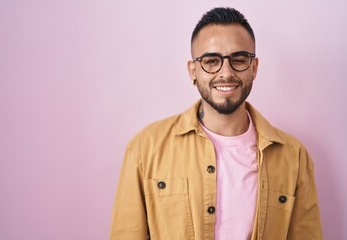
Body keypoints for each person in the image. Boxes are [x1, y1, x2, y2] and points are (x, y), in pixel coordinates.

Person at [109, 7, 323, 240]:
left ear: (254, 68)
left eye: (238, 59)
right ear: (193, 71)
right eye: (211, 61)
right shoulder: (144, 149)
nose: (226, 72)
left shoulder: (294, 157)